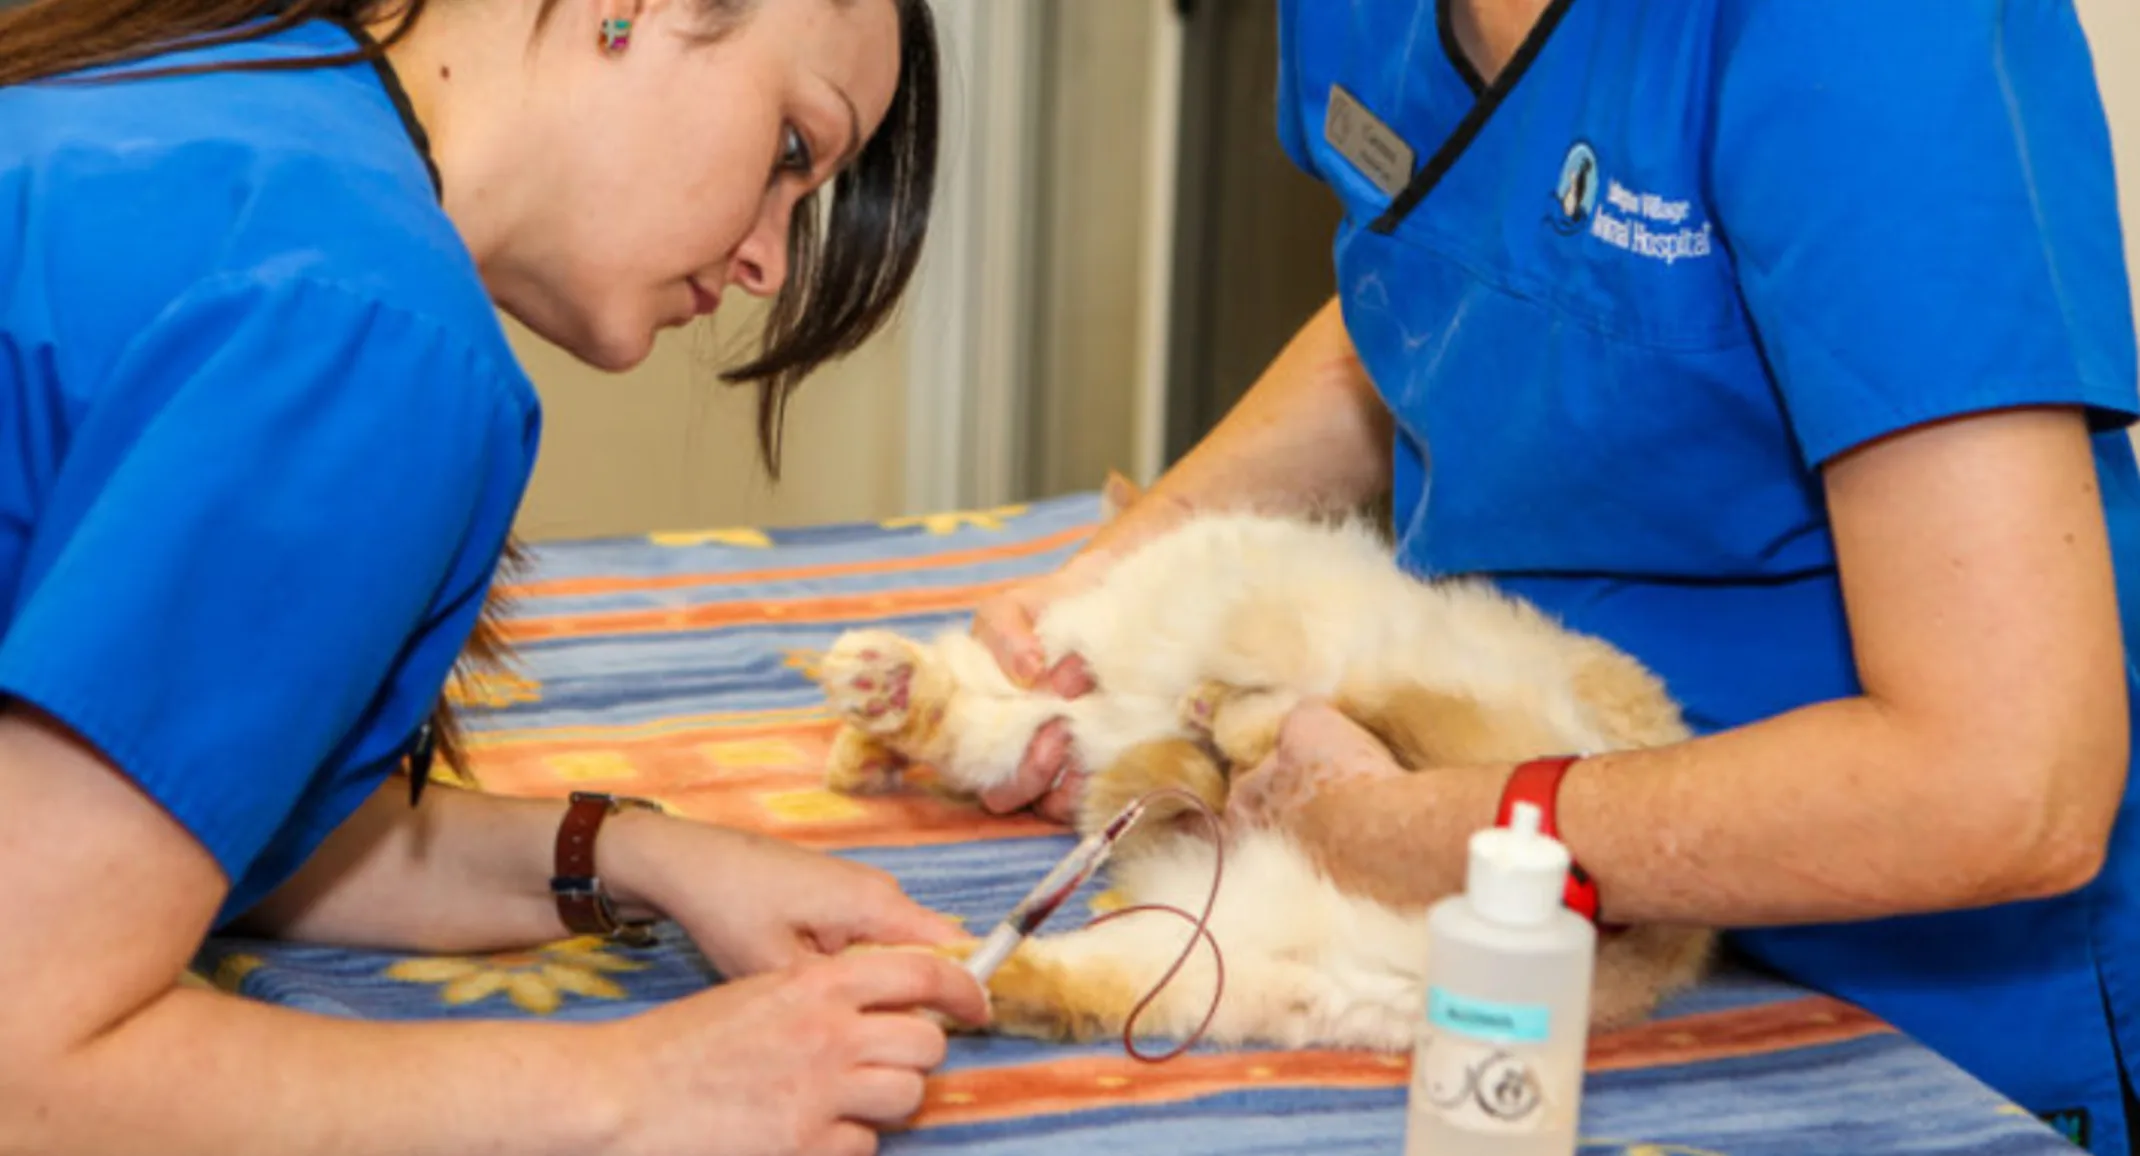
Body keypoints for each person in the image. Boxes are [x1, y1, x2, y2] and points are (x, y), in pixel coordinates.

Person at [975, 1, 2140, 1151]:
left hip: (1910, 1004)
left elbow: (2006, 783)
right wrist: (1124, 568)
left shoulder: (1862, 35)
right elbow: (1442, 283)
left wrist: (1438, 828)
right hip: (1521, 883)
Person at [0, 1, 989, 1152]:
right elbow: (29, 1059)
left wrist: (634, 859)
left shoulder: (242, 82)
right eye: (787, 151)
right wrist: (643, 1090)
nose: (770, 259)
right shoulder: (372, 323)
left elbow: (182, 812)